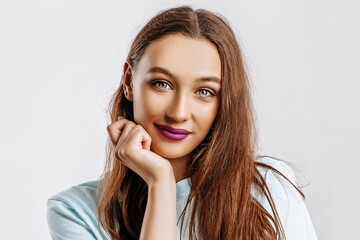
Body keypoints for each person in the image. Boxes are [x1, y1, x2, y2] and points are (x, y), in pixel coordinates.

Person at [46, 5, 318, 240]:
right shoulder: (76, 211)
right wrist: (160, 184)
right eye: (162, 84)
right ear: (129, 81)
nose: (178, 113)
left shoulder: (268, 189)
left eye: (205, 92)